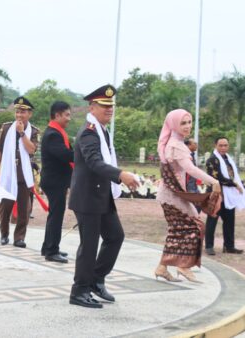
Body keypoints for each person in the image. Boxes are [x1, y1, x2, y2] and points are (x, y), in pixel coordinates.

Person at [68, 84, 140, 309]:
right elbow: (94, 162)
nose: (109, 110)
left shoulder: (102, 129)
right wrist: (120, 175)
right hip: (88, 197)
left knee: (115, 236)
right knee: (88, 246)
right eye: (104, 105)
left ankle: (96, 280)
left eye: (111, 106)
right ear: (92, 106)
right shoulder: (89, 132)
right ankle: (79, 291)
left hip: (101, 194)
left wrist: (118, 176)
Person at [154, 109, 221, 283]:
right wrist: (213, 181)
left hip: (170, 195)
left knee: (177, 230)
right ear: (174, 125)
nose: (187, 126)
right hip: (173, 196)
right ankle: (183, 265)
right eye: (183, 123)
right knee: (194, 227)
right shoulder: (177, 146)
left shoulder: (172, 143)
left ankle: (162, 267)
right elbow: (191, 169)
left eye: (189, 122)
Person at [0, 96, 39, 248]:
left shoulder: (33, 131)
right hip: (8, 173)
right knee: (5, 207)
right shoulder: (6, 128)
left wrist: (22, 133)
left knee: (24, 209)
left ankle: (19, 238)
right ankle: (4, 234)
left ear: (29, 114)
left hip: (24, 175)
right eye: (17, 112)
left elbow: (31, 149)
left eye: (23, 112)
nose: (19, 115)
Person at [40, 101, 73, 263]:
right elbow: (65, 155)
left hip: (55, 180)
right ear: (57, 115)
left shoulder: (56, 132)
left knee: (54, 214)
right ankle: (51, 251)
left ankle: (48, 247)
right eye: (66, 115)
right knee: (56, 216)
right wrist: (82, 154)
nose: (69, 118)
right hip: (55, 181)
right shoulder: (53, 134)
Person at [204, 137, 244, 255]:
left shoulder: (228, 160)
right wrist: (234, 184)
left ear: (228, 146)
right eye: (220, 145)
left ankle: (229, 246)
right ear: (215, 145)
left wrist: (237, 183)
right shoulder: (212, 160)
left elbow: (233, 176)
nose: (223, 148)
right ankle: (209, 246)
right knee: (212, 221)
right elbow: (217, 178)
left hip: (229, 196)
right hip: (216, 195)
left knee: (230, 221)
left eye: (225, 145)